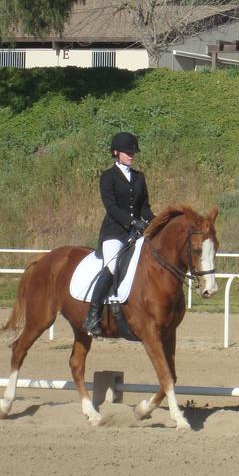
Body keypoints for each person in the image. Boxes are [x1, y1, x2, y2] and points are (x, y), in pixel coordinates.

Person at [83, 131, 155, 337]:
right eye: (126, 151)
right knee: (113, 266)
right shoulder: (108, 177)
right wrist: (132, 221)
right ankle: (93, 315)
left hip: (136, 233)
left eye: (133, 151)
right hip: (114, 232)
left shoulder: (139, 177)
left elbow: (145, 208)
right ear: (116, 152)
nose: (131, 155)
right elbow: (111, 207)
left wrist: (156, 222)